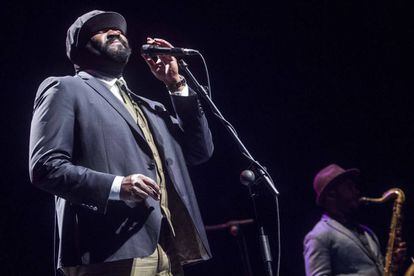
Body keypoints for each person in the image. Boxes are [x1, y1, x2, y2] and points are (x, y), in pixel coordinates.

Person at [29, 10, 214, 276]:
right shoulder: (65, 89)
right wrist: (117, 186)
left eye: (118, 29)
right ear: (79, 49)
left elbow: (200, 152)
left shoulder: (151, 107)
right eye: (101, 29)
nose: (115, 31)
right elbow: (46, 167)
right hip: (107, 250)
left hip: (165, 248)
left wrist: (176, 85)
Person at [303, 164, 406, 276]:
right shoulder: (319, 236)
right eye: (349, 187)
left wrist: (394, 265)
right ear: (331, 195)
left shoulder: (367, 232)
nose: (356, 192)